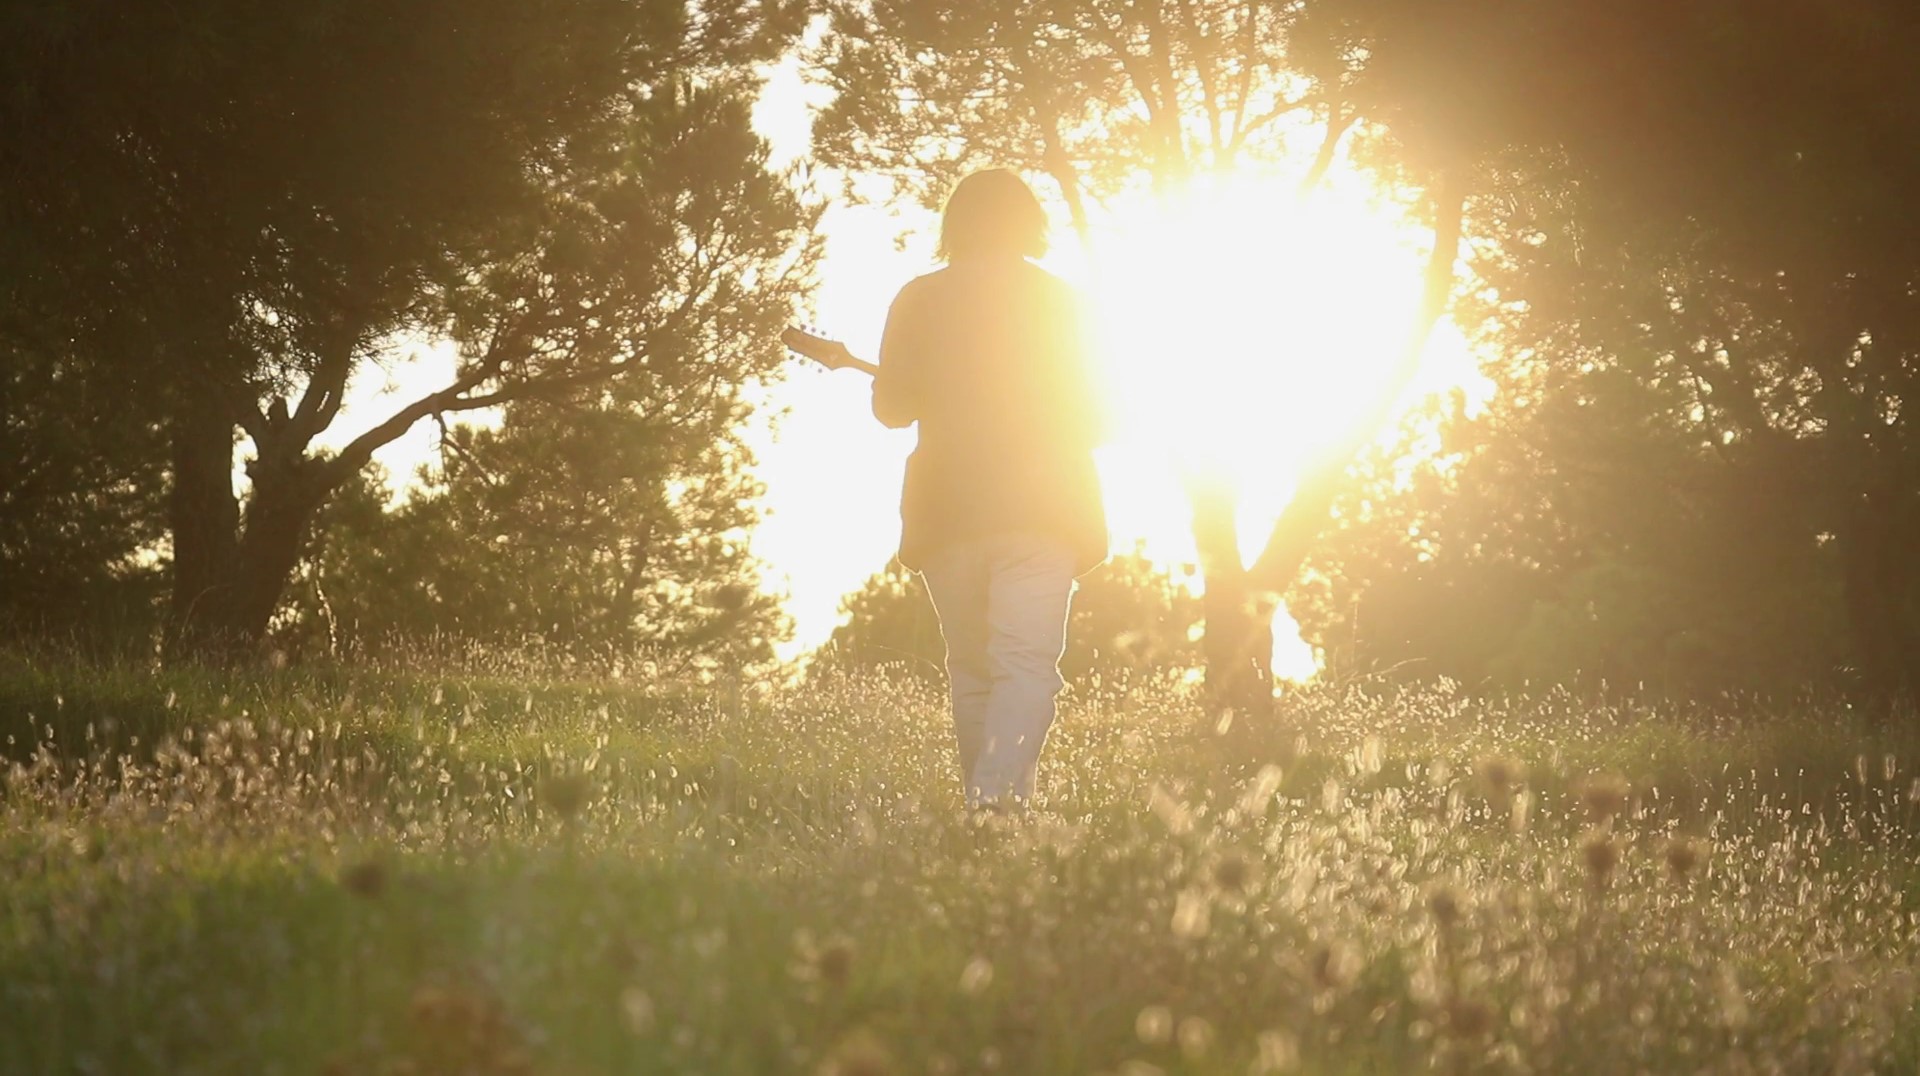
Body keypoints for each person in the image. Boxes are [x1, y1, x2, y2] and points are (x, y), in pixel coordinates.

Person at [872, 169, 1110, 808]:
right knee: (1025, 666)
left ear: (955, 225)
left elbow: (891, 409)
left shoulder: (918, 298)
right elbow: (1107, 417)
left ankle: (993, 813)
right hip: (1045, 510)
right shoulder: (1064, 303)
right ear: (1030, 223)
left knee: (974, 672)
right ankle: (997, 809)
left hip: (946, 511)